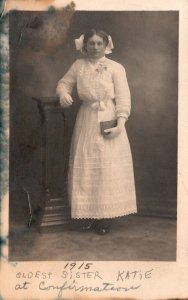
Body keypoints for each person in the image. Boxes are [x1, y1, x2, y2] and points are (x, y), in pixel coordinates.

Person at [56, 29, 137, 235]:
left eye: (99, 43)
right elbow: (64, 83)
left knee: (106, 166)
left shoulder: (116, 68)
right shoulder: (78, 65)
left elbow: (123, 97)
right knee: (87, 164)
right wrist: (63, 93)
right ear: (84, 45)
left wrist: (120, 123)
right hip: (86, 118)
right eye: (91, 43)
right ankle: (89, 215)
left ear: (106, 45)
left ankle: (105, 217)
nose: (95, 48)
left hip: (109, 116)